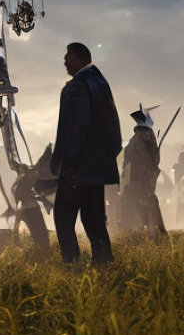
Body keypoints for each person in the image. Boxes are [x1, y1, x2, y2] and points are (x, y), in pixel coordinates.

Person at [49, 42, 121, 265]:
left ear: (80, 58)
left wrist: (68, 165)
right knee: (94, 220)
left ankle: (72, 263)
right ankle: (104, 263)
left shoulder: (77, 86)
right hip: (97, 169)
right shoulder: (100, 83)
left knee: (62, 216)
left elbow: (76, 128)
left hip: (78, 168)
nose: (64, 60)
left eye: (68, 56)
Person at [120, 104, 167, 237]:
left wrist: (152, 170)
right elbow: (150, 159)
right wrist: (152, 170)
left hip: (138, 181)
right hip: (139, 180)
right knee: (145, 205)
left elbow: (150, 159)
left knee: (146, 205)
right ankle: (152, 232)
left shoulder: (137, 139)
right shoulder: (142, 138)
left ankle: (154, 232)